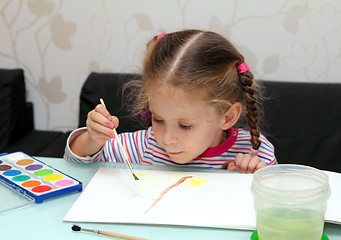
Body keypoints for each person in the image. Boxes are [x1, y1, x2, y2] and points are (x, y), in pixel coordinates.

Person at [65, 29, 277, 173]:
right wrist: (91, 140)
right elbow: (75, 164)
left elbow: (282, 206)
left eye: (185, 125)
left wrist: (256, 181)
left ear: (228, 116)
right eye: (158, 120)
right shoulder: (145, 146)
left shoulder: (255, 153)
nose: (167, 139)